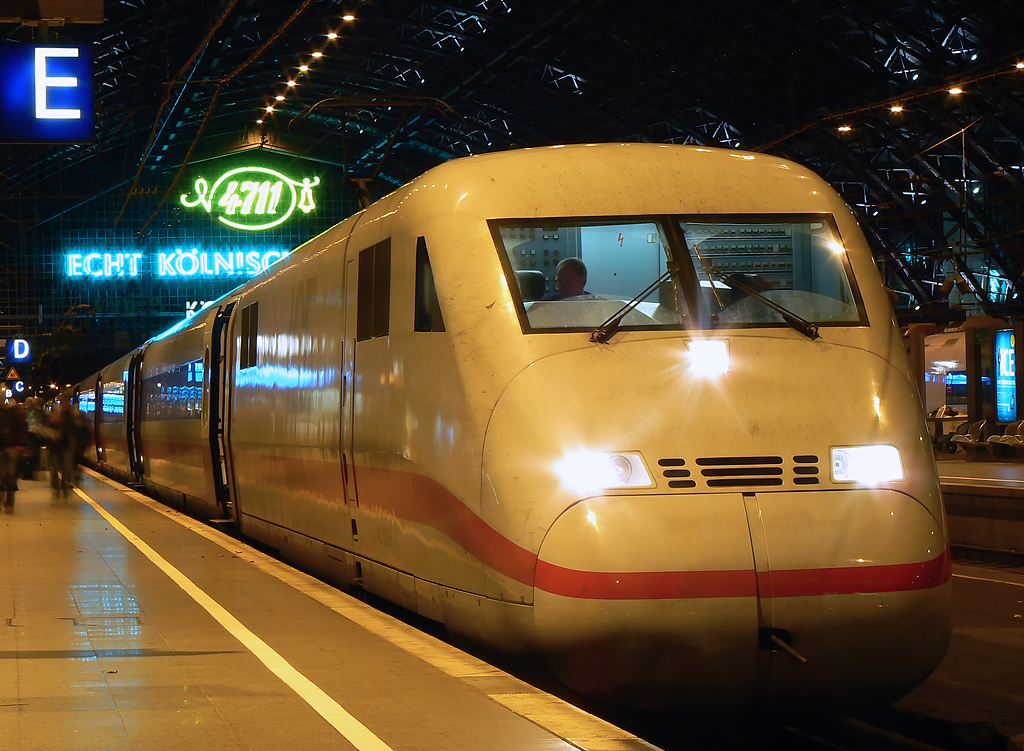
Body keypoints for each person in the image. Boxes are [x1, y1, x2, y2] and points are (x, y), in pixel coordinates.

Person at [0, 403, 29, 512]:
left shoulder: (12, 416)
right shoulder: (15, 416)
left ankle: (8, 502)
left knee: (7, 475)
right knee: (10, 475)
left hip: (11, 447)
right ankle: (9, 503)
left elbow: (22, 431)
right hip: (12, 447)